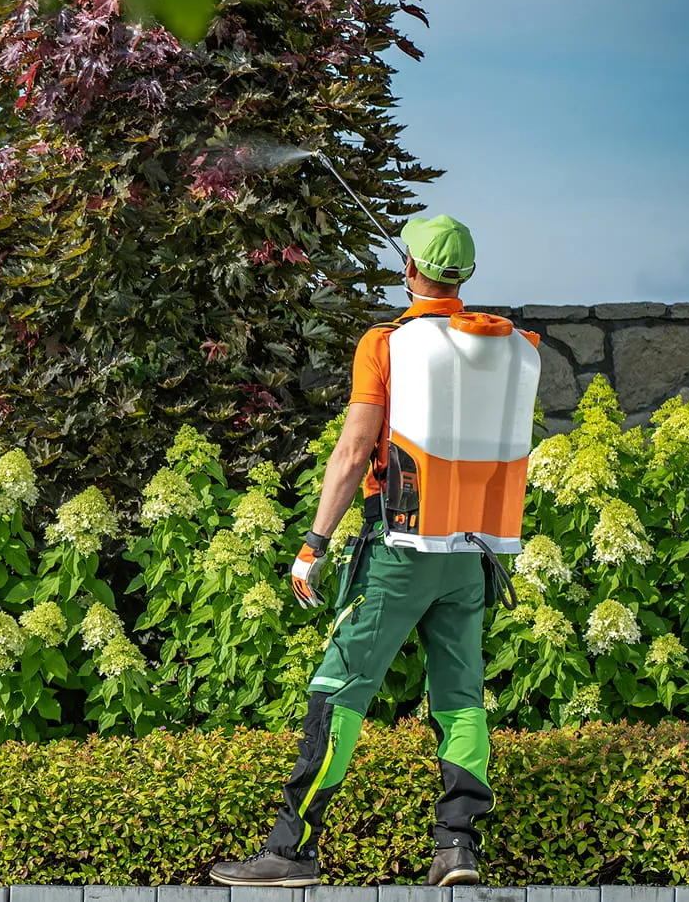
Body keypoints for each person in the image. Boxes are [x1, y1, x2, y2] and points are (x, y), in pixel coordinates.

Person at [208, 215, 541, 889]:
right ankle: (457, 847)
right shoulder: (501, 347)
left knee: (341, 685)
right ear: (464, 277)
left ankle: (292, 848)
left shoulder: (388, 344)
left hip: (398, 546)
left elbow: (355, 449)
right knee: (460, 695)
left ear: (409, 270)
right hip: (472, 552)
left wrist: (314, 542)